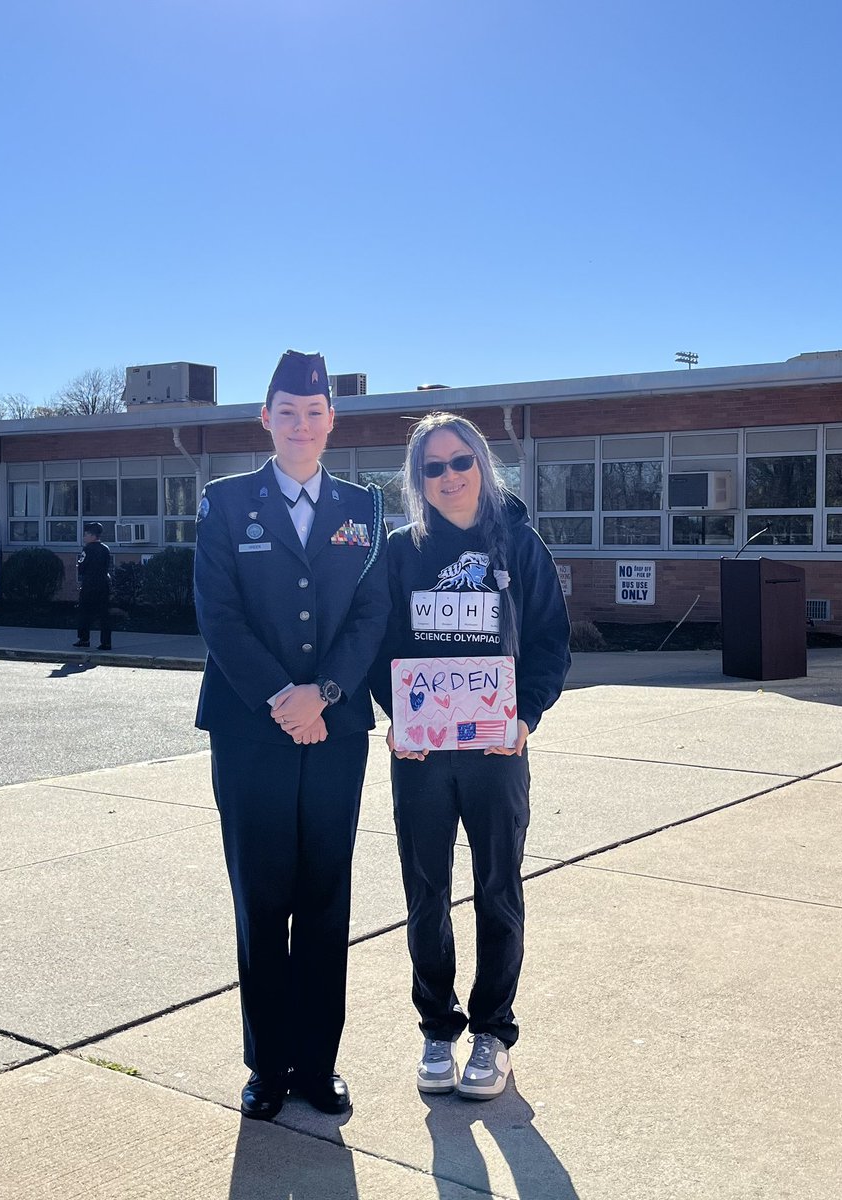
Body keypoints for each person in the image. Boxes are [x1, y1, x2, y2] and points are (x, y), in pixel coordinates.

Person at [194, 349, 389, 1123]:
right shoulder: (224, 502)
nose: (301, 424)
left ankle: (317, 1063)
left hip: (336, 731)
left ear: (332, 420)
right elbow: (218, 614)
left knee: (324, 897)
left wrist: (326, 693)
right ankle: (265, 1064)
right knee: (260, 897)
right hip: (250, 732)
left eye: (314, 412)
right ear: (266, 418)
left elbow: (371, 613)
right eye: (287, 411)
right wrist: (283, 696)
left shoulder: (363, 509)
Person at [369, 412, 571, 1100]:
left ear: (482, 464)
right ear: (417, 479)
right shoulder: (398, 552)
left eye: (461, 462)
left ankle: (492, 1031)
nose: (450, 476)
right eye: (434, 467)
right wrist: (397, 716)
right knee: (426, 892)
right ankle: (436, 1028)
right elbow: (374, 643)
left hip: (496, 752)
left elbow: (549, 641)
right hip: (421, 756)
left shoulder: (519, 543)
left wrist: (526, 716)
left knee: (498, 890)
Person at [73, 521, 112, 649]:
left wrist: (79, 566)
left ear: (92, 535)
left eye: (86, 534)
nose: (84, 537)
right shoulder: (106, 549)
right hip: (103, 583)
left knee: (84, 612)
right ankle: (106, 642)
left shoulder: (87, 549)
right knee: (104, 614)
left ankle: (84, 639)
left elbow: (82, 568)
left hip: (89, 584)